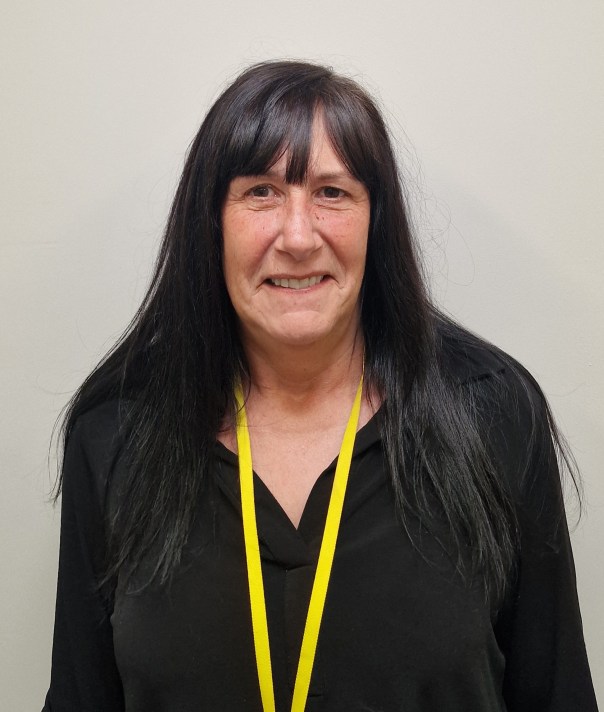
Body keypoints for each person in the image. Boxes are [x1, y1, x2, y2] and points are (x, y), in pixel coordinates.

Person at [43, 60, 598, 712]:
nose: (298, 236)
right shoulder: (116, 434)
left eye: (332, 193)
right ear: (210, 223)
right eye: (261, 192)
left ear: (376, 221)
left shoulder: (492, 414)